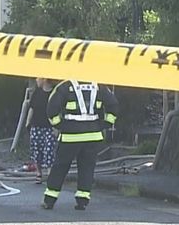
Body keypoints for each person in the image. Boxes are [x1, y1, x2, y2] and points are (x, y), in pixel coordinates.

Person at [42, 79, 118, 211]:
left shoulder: (65, 86)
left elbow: (52, 107)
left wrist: (59, 125)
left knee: (60, 167)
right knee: (87, 168)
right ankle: (82, 200)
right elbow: (114, 106)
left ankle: (50, 199)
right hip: (93, 136)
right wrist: (105, 124)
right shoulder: (100, 86)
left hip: (70, 136)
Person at [28, 78, 56, 182]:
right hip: (36, 125)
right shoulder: (37, 92)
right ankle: (38, 172)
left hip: (50, 127)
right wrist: (28, 122)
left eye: (38, 77)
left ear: (44, 79)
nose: (36, 80)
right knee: (37, 149)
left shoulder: (55, 93)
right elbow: (32, 108)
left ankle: (50, 173)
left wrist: (57, 127)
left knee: (49, 149)